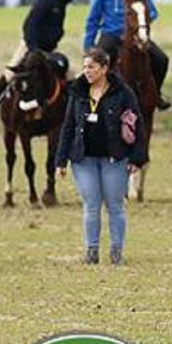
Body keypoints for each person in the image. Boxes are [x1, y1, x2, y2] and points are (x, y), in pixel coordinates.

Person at [54, 48, 148, 265]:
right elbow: (68, 127)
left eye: (92, 67)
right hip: (83, 159)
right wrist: (60, 161)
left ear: (104, 69)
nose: (87, 71)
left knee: (115, 204)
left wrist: (136, 158)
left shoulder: (123, 93)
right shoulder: (77, 92)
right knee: (91, 204)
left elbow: (138, 124)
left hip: (114, 158)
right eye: (85, 67)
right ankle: (91, 250)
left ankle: (116, 250)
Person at [83, 0, 171, 110]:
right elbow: (93, 19)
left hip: (136, 35)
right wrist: (88, 44)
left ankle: (156, 93)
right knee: (96, 63)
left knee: (161, 59)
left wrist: (141, 25)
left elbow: (152, 12)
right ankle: (93, 99)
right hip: (111, 34)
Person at [0, 0, 76, 119]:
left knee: (70, 75)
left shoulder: (61, 3)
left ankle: (71, 114)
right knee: (10, 75)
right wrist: (33, 49)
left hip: (48, 51)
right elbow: (29, 26)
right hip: (30, 47)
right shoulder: (46, 1)